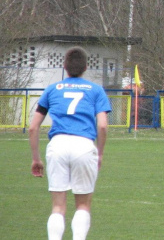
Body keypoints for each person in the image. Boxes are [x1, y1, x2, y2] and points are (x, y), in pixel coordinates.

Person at [29, 47, 111, 240]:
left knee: (58, 206)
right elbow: (103, 126)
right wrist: (99, 153)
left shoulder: (51, 89)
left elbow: (33, 128)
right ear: (86, 67)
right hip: (83, 145)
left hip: (57, 145)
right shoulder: (96, 90)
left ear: (64, 67)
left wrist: (36, 159)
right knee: (82, 205)